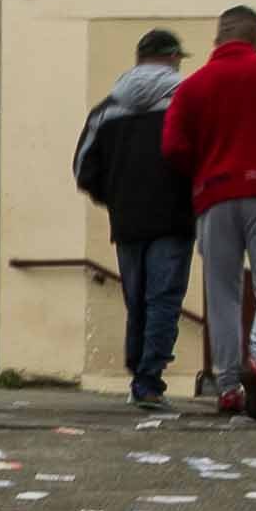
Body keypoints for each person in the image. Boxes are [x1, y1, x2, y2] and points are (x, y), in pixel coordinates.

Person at [162, 7, 256, 418]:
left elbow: (173, 147)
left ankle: (228, 387)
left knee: (223, 293)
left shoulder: (192, 87)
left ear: (217, 39)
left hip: (214, 197)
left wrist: (206, 165)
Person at [71, 25, 195, 408]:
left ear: (138, 59)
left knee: (137, 297)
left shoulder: (106, 110)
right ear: (173, 58)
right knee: (163, 298)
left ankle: (138, 366)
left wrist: (114, 197)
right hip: (175, 217)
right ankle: (148, 378)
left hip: (127, 220)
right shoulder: (187, 104)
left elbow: (82, 169)